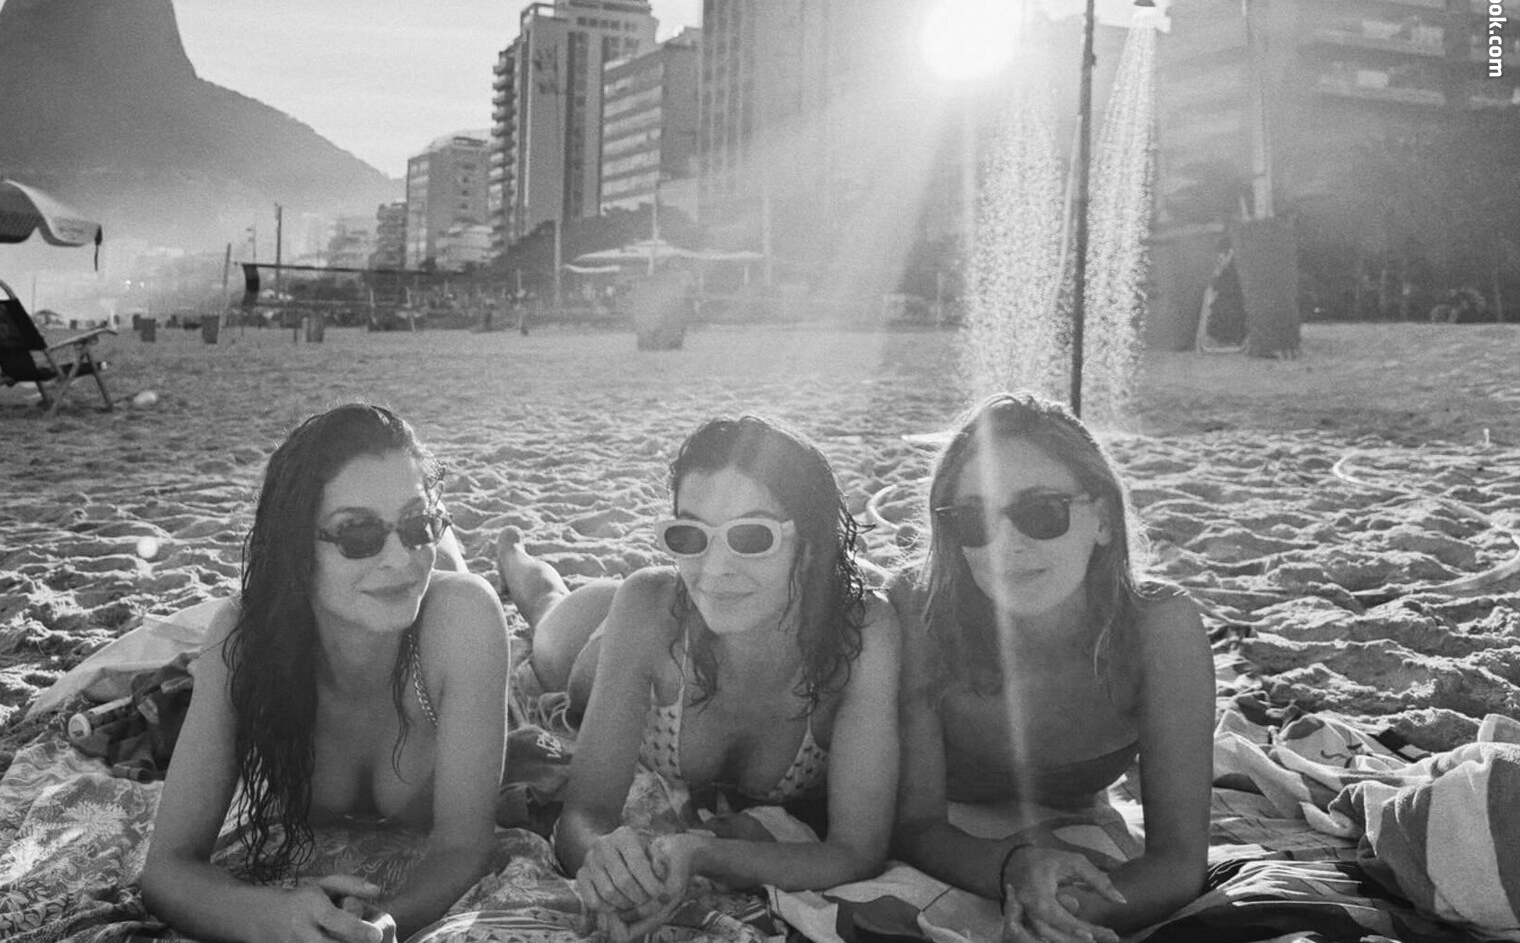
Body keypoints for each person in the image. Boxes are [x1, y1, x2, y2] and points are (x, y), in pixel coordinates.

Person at [498, 414, 900, 940]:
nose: (714, 568)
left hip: (691, 617)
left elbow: (857, 850)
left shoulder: (862, 634)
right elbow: (583, 818)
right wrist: (603, 855)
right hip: (601, 643)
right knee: (547, 614)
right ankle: (513, 557)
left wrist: (706, 853)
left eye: (750, 536)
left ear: (812, 541)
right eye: (689, 535)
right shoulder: (647, 609)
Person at [141, 403, 509, 943]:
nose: (400, 556)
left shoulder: (463, 622)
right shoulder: (244, 641)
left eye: (420, 524)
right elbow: (166, 869)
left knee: (540, 615)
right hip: (326, 611)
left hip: (443, 617)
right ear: (293, 547)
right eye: (357, 533)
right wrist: (271, 918)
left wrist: (381, 924)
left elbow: (463, 846)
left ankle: (516, 564)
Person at [891, 393, 1212, 943]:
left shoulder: (1158, 628)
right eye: (972, 519)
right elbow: (913, 825)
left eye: (1041, 512)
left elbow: (1180, 860)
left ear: (1103, 519)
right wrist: (1012, 868)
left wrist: (1067, 916)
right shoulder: (919, 613)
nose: (1005, 546)